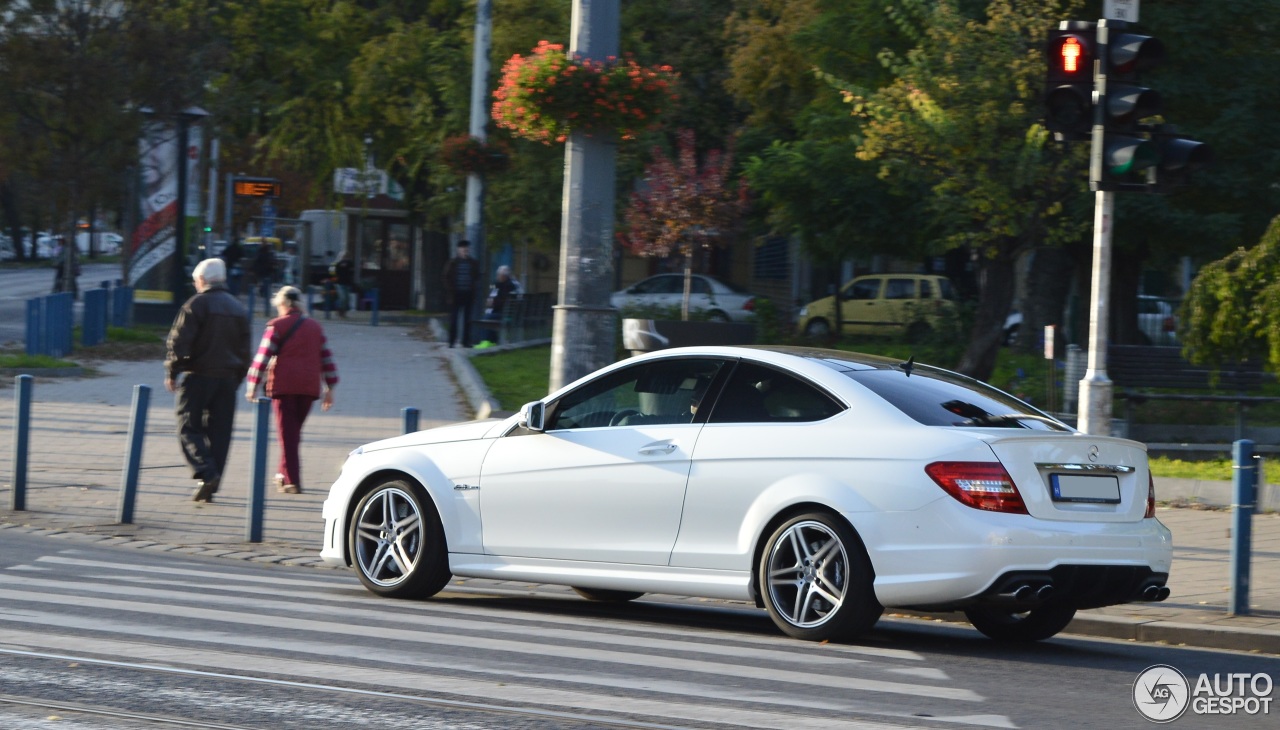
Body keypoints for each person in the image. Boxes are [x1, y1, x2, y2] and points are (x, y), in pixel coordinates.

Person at [165, 258, 251, 503]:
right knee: (220, 433)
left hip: (198, 375)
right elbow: (245, 350)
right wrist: (237, 378)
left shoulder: (196, 304)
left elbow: (178, 342)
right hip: (227, 379)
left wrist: (173, 371)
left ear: (201, 280)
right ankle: (211, 485)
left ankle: (206, 471)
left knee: (187, 425)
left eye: (195, 281)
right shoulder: (238, 308)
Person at [245, 286, 338, 494]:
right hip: (308, 388)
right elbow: (327, 358)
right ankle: (282, 474)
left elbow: (262, 358)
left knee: (288, 436)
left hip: (283, 387)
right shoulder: (315, 327)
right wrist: (330, 387)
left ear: (283, 304)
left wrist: (252, 385)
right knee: (292, 434)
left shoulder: (276, 326)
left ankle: (292, 481)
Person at [442, 240, 479, 347]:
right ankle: (451, 341)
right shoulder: (453, 263)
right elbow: (445, 277)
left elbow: (476, 277)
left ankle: (466, 342)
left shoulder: (473, 263)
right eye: (463, 249)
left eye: (466, 249)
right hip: (455, 295)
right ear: (459, 250)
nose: (465, 251)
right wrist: (450, 289)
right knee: (454, 319)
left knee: (467, 320)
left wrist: (473, 288)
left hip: (468, 294)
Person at [479, 265, 522, 345]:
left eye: (499, 275)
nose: (497, 276)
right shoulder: (497, 284)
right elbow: (492, 290)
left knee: (486, 318)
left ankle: (486, 341)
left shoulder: (509, 285)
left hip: (506, 314)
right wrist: (490, 298)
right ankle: (491, 340)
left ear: (504, 276)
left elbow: (504, 301)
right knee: (488, 316)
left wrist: (493, 302)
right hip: (505, 312)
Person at [252, 241, 276, 315]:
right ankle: (264, 292)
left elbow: (256, 261)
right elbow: (272, 261)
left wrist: (252, 269)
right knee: (266, 282)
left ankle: (263, 291)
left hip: (261, 270)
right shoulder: (269, 253)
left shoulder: (260, 252)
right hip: (267, 270)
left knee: (262, 282)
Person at [330, 252, 356, 317]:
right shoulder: (337, 264)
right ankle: (340, 310)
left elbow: (352, 269)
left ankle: (343, 311)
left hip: (347, 283)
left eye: (346, 256)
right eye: (343, 256)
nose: (344, 258)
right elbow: (332, 272)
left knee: (347, 298)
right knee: (343, 297)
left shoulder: (349, 263)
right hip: (339, 283)